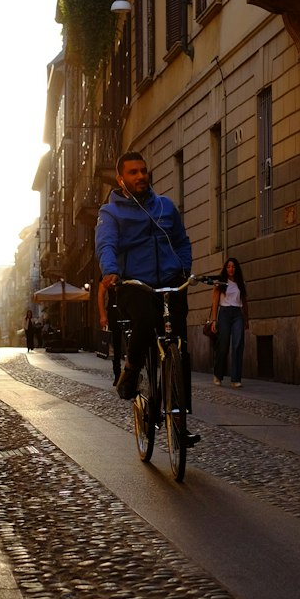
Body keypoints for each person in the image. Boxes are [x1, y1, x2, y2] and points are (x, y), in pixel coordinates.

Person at [96, 151, 196, 432]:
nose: (141, 176)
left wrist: (183, 268)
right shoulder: (110, 212)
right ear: (121, 179)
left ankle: (179, 417)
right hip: (134, 284)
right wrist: (111, 271)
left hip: (170, 280)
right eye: (133, 172)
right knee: (144, 321)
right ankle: (130, 371)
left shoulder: (165, 206)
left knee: (180, 346)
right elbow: (106, 245)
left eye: (143, 171)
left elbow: (181, 240)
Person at [209, 256, 250, 387]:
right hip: (224, 313)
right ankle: (218, 374)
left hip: (238, 314)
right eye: (228, 266)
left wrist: (246, 319)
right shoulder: (220, 283)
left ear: (236, 268)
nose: (231, 269)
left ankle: (236, 379)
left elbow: (244, 302)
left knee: (238, 344)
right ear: (225, 269)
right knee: (223, 344)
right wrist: (214, 320)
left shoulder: (240, 283)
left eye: (233, 266)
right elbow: (215, 302)